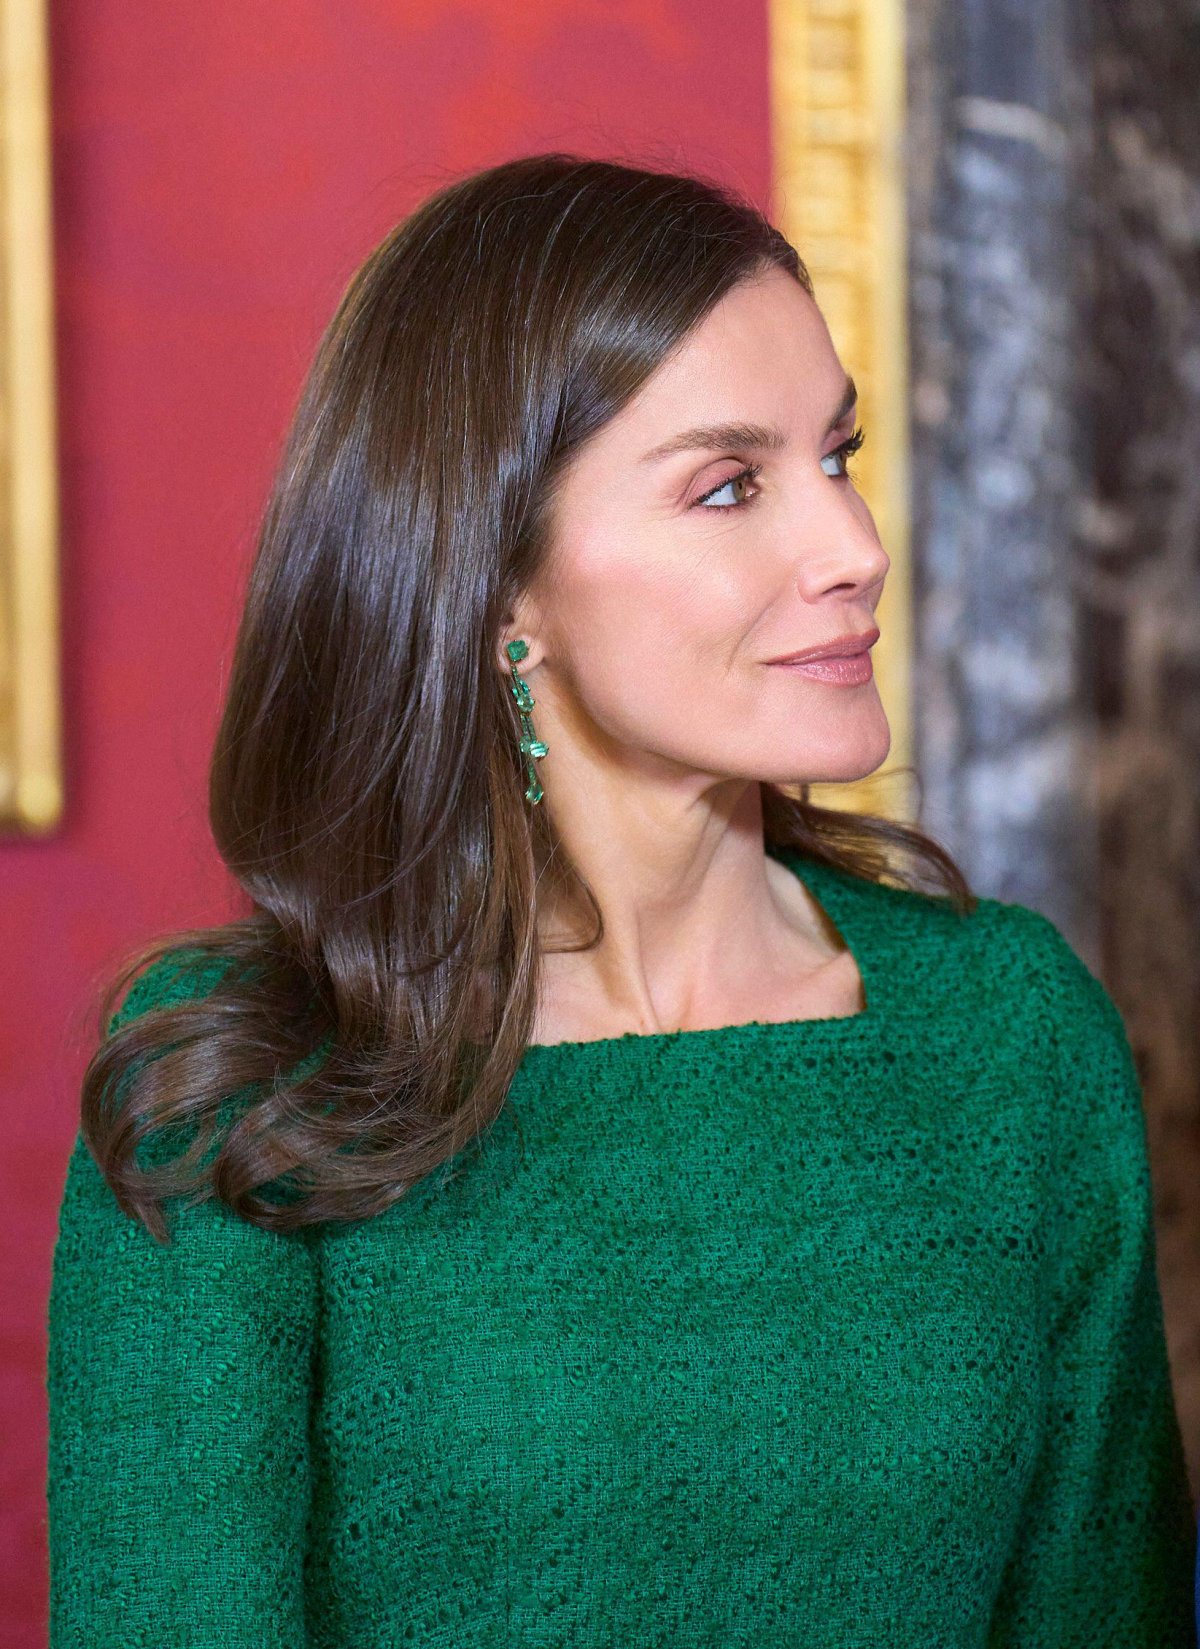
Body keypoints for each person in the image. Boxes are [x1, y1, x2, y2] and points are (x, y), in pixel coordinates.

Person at [46, 152, 1196, 1646]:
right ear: (502, 589)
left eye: (837, 455)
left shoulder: (1009, 1029)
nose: (855, 550)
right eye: (731, 486)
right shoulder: (238, 1086)